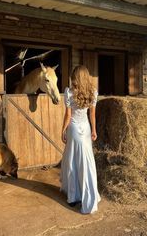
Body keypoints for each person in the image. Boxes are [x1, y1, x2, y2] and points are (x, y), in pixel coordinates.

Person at [60, 65, 101, 214]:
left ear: (75, 77)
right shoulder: (93, 92)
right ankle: (89, 195)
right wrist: (94, 131)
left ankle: (73, 197)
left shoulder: (69, 92)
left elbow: (68, 115)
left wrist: (63, 129)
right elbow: (92, 115)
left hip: (73, 129)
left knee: (72, 162)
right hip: (86, 129)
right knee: (86, 162)